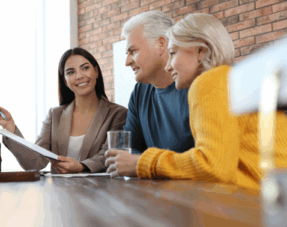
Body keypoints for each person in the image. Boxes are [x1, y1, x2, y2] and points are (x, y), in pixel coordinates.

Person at [105, 13, 287, 190]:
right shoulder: (225, 80)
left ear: (201, 51)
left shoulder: (208, 83)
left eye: (173, 53)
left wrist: (143, 163)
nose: (169, 65)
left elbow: (212, 164)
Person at [0, 47, 127, 174]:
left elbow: (109, 154)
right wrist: (11, 130)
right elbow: (35, 162)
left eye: (85, 68)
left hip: (101, 191)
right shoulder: (55, 115)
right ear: (65, 81)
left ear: (96, 71)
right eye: (71, 72)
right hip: (59, 192)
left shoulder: (118, 114)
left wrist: (82, 166)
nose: (79, 76)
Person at [104, 11, 195, 177]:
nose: (127, 61)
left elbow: (206, 160)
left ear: (161, 44)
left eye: (133, 51)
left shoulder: (196, 84)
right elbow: (128, 149)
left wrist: (141, 163)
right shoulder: (140, 92)